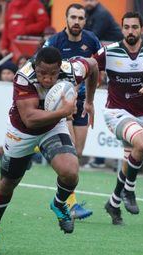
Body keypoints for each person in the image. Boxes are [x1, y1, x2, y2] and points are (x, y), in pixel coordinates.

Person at [0, 47, 98, 254]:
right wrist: (64, 111)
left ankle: (59, 203)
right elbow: (30, 119)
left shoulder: (72, 70)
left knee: (71, 171)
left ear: (60, 68)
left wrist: (89, 101)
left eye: (52, 73)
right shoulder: (24, 77)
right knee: (8, 183)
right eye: (42, 72)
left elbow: (94, 65)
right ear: (36, 67)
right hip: (22, 132)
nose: (47, 78)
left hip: (52, 128)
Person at [93, 12, 143, 225]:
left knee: (129, 161)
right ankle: (130, 191)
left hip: (141, 115)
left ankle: (113, 204)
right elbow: (89, 67)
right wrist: (83, 96)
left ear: (142, 29)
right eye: (126, 27)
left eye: (135, 27)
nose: (130, 31)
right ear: (122, 29)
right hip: (116, 113)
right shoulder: (109, 52)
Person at [43, 3, 101, 220]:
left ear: (85, 21)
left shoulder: (91, 40)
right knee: (69, 156)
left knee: (78, 153)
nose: (77, 21)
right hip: (63, 104)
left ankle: (64, 199)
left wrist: (90, 100)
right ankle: (70, 204)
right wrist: (62, 93)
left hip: (83, 101)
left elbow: (97, 68)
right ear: (66, 19)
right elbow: (42, 70)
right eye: (73, 17)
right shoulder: (55, 42)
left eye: (81, 18)